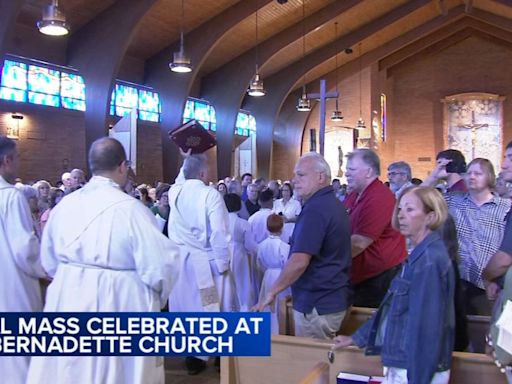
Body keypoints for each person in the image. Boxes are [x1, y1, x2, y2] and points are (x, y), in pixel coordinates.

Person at [26, 137, 179, 384]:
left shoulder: (65, 205)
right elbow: (160, 267)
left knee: (70, 369)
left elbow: (49, 260)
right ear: (122, 166)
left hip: (68, 296)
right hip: (117, 300)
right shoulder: (132, 210)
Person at [333, 186, 456, 384]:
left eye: (410, 209)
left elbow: (427, 329)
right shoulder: (418, 255)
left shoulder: (430, 261)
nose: (401, 215)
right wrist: (356, 338)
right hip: (402, 360)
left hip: (414, 366)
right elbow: (392, 309)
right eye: (400, 209)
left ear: (431, 216)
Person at [256, 152, 351, 340]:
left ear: (321, 177)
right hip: (333, 297)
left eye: (301, 175)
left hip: (317, 303)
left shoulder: (316, 209)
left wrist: (272, 291)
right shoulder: (331, 204)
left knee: (313, 364)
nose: (294, 180)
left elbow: (299, 261)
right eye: (294, 175)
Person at [167, 152, 238, 375]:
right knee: (216, 307)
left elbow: (182, 178)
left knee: (188, 309)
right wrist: (223, 263)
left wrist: (185, 160)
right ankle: (219, 356)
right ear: (203, 173)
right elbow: (219, 232)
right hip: (208, 264)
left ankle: (193, 358)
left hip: (183, 263)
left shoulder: (174, 192)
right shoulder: (210, 195)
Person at [0, 136, 46, 384]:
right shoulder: (10, 197)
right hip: (12, 287)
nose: (19, 163)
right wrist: (46, 268)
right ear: (7, 161)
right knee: (18, 358)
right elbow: (25, 248)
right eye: (17, 158)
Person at [343, 149, 407, 307]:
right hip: (360, 276)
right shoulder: (354, 195)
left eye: (351, 170)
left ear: (369, 172)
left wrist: (329, 262)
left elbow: (359, 243)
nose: (346, 174)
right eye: (347, 170)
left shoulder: (379, 197)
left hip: (378, 279)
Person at [257, 214, 290, 335]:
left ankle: (268, 330)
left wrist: (267, 271)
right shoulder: (285, 247)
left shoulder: (261, 245)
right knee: (280, 304)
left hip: (268, 274)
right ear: (282, 228)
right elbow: (287, 264)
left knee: (268, 304)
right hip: (281, 275)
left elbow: (259, 263)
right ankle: (281, 330)